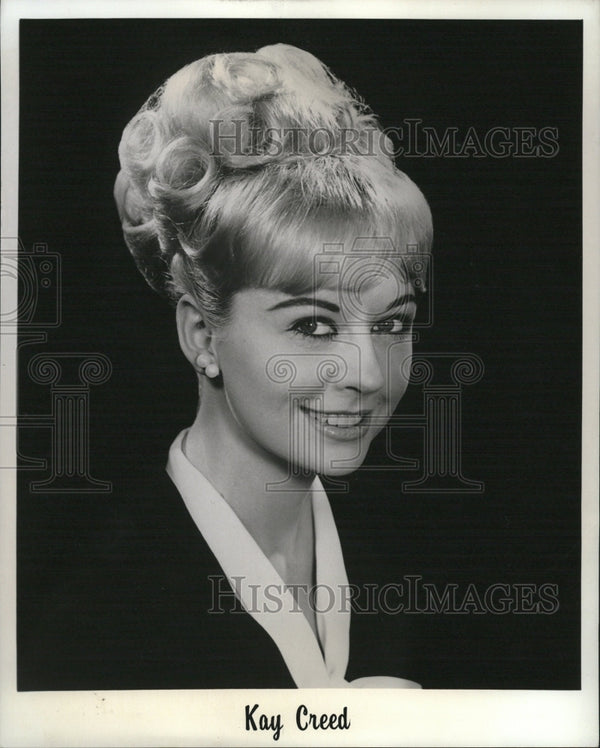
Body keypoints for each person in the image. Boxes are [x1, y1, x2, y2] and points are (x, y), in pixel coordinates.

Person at [110, 42, 433, 689]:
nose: (369, 374)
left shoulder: (404, 573)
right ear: (202, 334)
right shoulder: (109, 608)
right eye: (313, 326)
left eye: (391, 324)